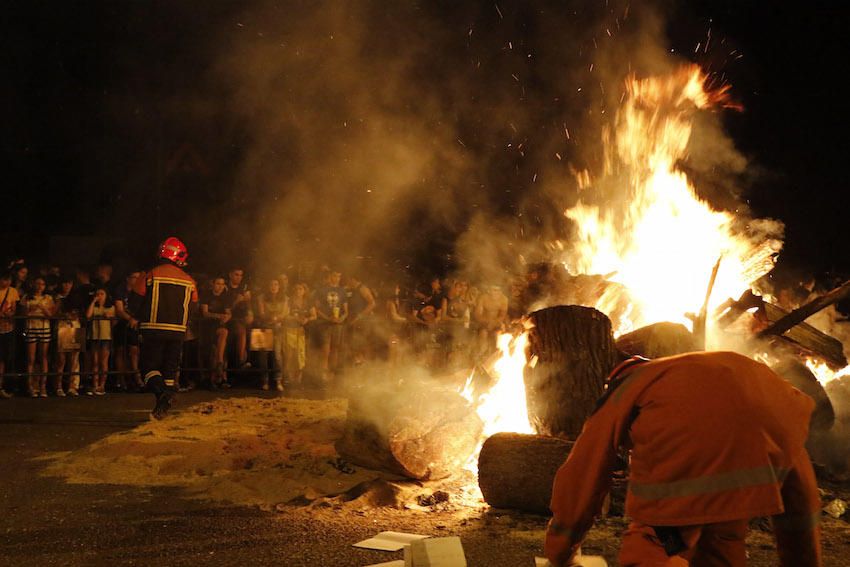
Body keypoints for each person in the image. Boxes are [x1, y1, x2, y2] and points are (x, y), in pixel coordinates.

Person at [545, 351, 822, 567]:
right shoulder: (714, 376)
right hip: (776, 427)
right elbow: (802, 500)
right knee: (722, 535)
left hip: (688, 446)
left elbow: (583, 473)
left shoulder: (629, 388)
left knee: (654, 545)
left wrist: (562, 551)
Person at [131, 237, 198, 419]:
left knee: (148, 368)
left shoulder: (150, 274)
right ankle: (162, 409)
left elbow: (134, 302)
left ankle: (163, 396)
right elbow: (193, 306)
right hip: (178, 332)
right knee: (169, 369)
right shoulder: (189, 280)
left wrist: (138, 317)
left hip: (152, 330)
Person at [314, 270, 348, 382]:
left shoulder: (342, 291)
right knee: (325, 349)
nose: (337, 278)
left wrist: (340, 319)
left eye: (339, 276)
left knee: (335, 349)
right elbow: (317, 309)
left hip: (338, 325)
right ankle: (323, 373)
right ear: (330, 276)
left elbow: (346, 310)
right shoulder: (322, 290)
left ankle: (332, 373)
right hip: (325, 324)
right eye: (335, 276)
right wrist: (328, 318)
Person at [199, 276, 233, 388]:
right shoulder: (207, 296)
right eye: (218, 283)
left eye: (222, 284)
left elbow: (228, 313)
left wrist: (226, 317)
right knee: (218, 346)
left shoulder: (225, 297)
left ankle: (217, 375)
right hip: (207, 326)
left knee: (223, 335)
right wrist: (219, 316)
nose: (220, 286)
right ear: (213, 284)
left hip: (220, 326)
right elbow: (205, 313)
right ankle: (219, 367)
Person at [256, 277, 288, 391]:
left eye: (276, 284)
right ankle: (264, 380)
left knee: (277, 355)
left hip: (278, 328)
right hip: (265, 328)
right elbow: (261, 313)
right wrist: (271, 318)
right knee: (263, 356)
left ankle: (278, 379)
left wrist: (277, 318)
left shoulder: (284, 298)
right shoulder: (262, 297)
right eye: (271, 284)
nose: (273, 287)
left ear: (279, 287)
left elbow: (284, 313)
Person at [113, 271, 143, 391]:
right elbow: (119, 309)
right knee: (120, 351)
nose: (136, 280)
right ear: (128, 278)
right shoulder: (120, 290)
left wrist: (135, 319)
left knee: (134, 350)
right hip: (121, 324)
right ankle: (121, 380)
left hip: (134, 324)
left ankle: (136, 377)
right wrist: (130, 319)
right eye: (134, 277)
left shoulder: (139, 292)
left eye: (138, 277)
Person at [282, 282, 314, 388]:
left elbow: (314, 315)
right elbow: (285, 315)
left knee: (301, 355)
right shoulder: (289, 301)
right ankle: (289, 378)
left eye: (300, 289)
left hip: (302, 331)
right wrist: (294, 318)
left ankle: (299, 379)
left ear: (304, 291)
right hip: (290, 330)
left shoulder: (308, 302)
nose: (298, 291)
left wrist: (307, 319)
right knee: (290, 354)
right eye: (296, 289)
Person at [54, 276, 82, 396]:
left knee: (74, 359)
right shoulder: (58, 297)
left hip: (75, 327)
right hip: (63, 327)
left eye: (69, 283)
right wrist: (63, 314)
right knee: (61, 359)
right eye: (65, 283)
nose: (67, 286)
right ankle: (59, 386)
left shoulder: (77, 297)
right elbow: (54, 312)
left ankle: (73, 386)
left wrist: (74, 315)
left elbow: (80, 312)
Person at [226, 267, 253, 369]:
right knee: (241, 331)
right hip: (231, 319)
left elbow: (249, 304)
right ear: (230, 275)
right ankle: (241, 360)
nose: (239, 277)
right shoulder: (225, 289)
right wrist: (236, 301)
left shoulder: (244, 288)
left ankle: (247, 358)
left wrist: (250, 313)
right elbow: (226, 307)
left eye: (241, 275)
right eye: (236, 274)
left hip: (243, 318)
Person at [0, 271, 20, 398]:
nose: (6, 282)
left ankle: (1, 386)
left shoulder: (12, 291)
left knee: (4, 358)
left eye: (8, 280)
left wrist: (10, 314)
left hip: (8, 328)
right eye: (3, 279)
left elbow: (14, 308)